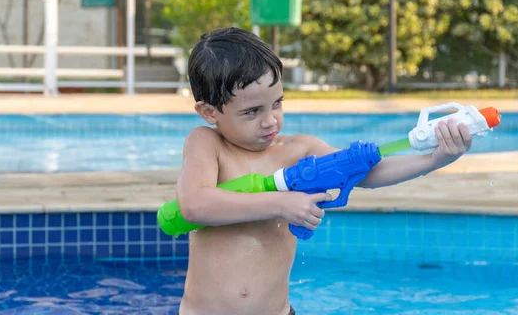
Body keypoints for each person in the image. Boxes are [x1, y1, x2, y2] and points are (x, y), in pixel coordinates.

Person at [175, 27, 472, 315]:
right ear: (209, 112)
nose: (270, 121)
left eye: (276, 104)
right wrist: (281, 202)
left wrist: (435, 160)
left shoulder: (298, 150)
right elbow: (195, 205)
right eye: (252, 111)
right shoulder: (207, 144)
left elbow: (367, 173)